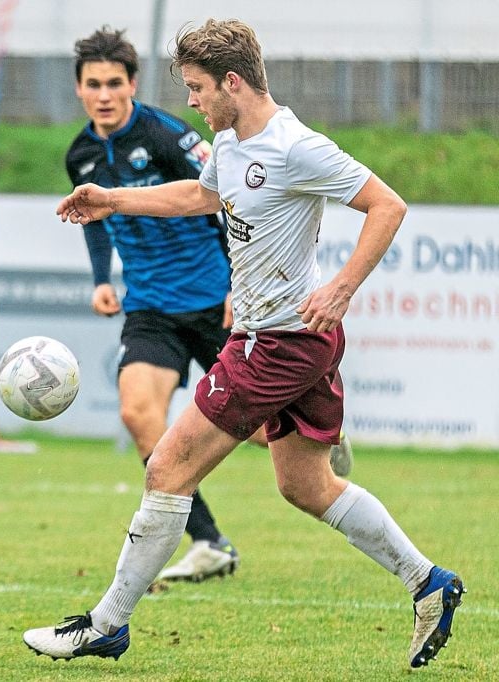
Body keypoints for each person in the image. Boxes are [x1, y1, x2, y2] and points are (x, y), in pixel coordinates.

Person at [24, 19, 463, 669]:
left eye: (198, 88)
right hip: (289, 341)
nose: (193, 103)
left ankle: (106, 624)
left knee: (166, 467)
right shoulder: (229, 145)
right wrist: (111, 199)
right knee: (305, 485)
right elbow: (197, 199)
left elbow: (387, 206)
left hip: (276, 345)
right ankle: (430, 582)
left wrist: (341, 287)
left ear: (233, 82)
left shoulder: (296, 146)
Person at [66, 27, 352, 583]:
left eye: (114, 83)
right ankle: (209, 540)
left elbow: (224, 202)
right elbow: (95, 221)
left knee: (258, 431)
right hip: (149, 305)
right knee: (138, 413)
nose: (104, 94)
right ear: (79, 89)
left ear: (132, 85)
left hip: (215, 300)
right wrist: (103, 277)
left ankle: (323, 435)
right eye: (93, 84)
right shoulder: (79, 154)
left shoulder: (173, 135)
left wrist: (232, 287)